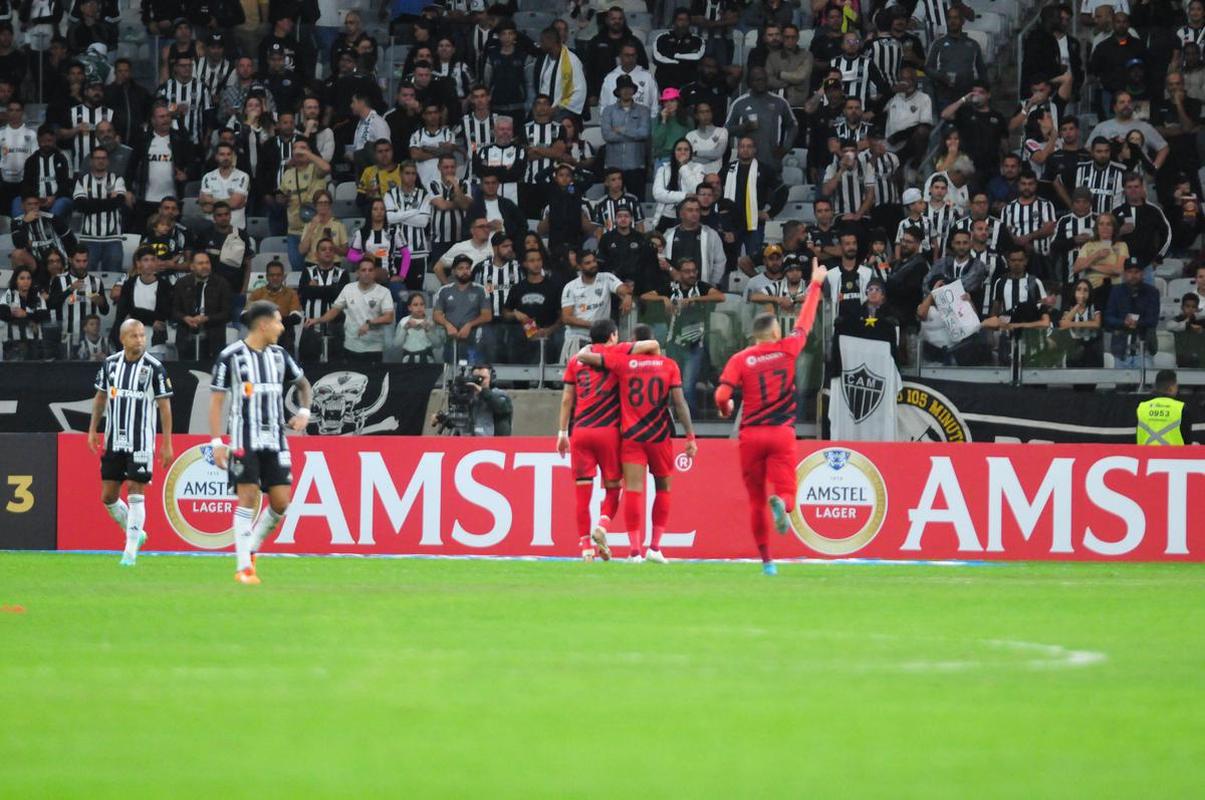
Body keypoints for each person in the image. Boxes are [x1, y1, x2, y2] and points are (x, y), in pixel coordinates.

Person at [715, 257, 825, 575]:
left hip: (750, 435)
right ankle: (784, 506)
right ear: (776, 332)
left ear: (754, 336)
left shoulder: (740, 358)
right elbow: (805, 320)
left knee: (754, 500)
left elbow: (721, 395)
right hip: (781, 433)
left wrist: (726, 409)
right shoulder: (788, 348)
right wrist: (815, 283)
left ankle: (766, 562)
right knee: (787, 491)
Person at [574, 323, 698, 563]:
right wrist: (690, 436)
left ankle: (634, 552)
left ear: (634, 344)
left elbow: (585, 357)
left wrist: (595, 351)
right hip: (660, 436)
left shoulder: (623, 362)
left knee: (633, 491)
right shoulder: (669, 365)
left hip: (631, 437)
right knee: (664, 488)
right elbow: (680, 403)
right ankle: (655, 547)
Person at [210, 300, 312, 585]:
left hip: (276, 439)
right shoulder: (230, 356)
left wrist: (304, 413)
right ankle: (244, 567)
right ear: (264, 324)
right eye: (279, 322)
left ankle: (251, 547)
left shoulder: (280, 356)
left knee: (281, 503)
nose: (282, 327)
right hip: (244, 439)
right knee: (248, 498)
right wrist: (217, 441)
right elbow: (216, 402)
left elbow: (304, 386)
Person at [556, 318, 657, 561]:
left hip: (580, 432)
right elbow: (651, 343)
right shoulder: (618, 351)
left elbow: (567, 399)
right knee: (613, 490)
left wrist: (561, 433)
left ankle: (586, 549)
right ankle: (601, 526)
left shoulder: (575, 361)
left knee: (582, 494)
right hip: (608, 432)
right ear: (612, 335)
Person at [85, 319, 173, 566]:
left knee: (136, 490)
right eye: (134, 336)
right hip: (114, 440)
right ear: (122, 339)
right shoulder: (111, 365)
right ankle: (136, 533)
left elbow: (165, 408)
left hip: (141, 442)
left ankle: (130, 551)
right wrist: (92, 430)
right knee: (108, 497)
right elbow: (100, 398)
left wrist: (166, 443)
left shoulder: (154, 368)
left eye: (142, 335)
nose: (140, 340)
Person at [304, 255, 395, 363]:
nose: (367, 273)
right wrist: (317, 320)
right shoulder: (348, 289)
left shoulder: (384, 292)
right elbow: (335, 310)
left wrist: (370, 323)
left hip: (374, 348)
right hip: (350, 346)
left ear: (374, 273)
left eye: (370, 270)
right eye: (363, 270)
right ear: (357, 272)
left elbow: (389, 317)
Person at [561, 251, 633, 358]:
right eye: (588, 263)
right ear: (580, 267)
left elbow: (623, 289)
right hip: (577, 339)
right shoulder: (570, 287)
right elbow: (566, 318)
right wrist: (593, 325)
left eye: (594, 261)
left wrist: (627, 296)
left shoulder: (607, 278)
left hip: (601, 340)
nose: (593, 265)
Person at [73, 146, 126, 273]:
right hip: (89, 238)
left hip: (113, 238)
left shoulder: (117, 178)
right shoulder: (82, 180)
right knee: (85, 276)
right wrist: (109, 201)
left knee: (114, 277)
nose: (100, 161)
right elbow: (81, 206)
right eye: (97, 158)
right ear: (91, 161)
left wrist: (91, 203)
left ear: (108, 161)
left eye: (103, 158)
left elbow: (118, 202)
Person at [173, 252, 232, 361]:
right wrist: (185, 318)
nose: (205, 266)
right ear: (192, 267)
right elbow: (174, 310)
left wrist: (206, 318)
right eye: (200, 263)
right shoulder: (181, 283)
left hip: (213, 339)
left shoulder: (222, 284)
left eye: (207, 263)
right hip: (186, 337)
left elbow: (227, 313)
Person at [433, 255, 493, 364]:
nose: (465, 271)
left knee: (473, 374)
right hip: (451, 339)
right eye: (461, 268)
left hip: (474, 341)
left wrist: (469, 325)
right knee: (451, 373)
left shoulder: (481, 290)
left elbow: (487, 316)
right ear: (453, 272)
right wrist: (448, 325)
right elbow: (436, 315)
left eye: (467, 268)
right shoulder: (444, 291)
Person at [601, 75, 651, 199]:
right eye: (623, 88)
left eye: (629, 88)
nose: (626, 91)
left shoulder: (643, 110)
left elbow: (644, 133)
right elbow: (607, 135)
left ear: (633, 90)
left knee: (637, 203)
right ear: (618, 91)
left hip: (636, 166)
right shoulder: (608, 111)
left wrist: (621, 130)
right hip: (613, 166)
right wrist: (634, 135)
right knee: (611, 203)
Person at [1105, 258, 1160, 367]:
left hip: (1144, 349)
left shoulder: (1152, 292)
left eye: (1137, 272)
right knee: (1120, 382)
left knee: (1146, 380)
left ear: (1142, 273)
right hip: (1120, 349)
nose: (1133, 275)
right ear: (1124, 274)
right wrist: (1123, 322)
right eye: (1130, 272)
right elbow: (1108, 317)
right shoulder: (1116, 291)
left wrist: (1137, 322)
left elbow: (1153, 320)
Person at [247, 259, 302, 350]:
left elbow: (295, 317)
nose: (275, 278)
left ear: (283, 277)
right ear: (267, 277)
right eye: (272, 275)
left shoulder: (291, 294)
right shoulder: (257, 293)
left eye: (278, 275)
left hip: (284, 335)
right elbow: (245, 315)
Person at [1136, 369, 1198, 444]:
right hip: (1172, 455)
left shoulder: (1142, 408)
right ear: (1171, 388)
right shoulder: (1181, 409)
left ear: (1156, 387)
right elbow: (1187, 441)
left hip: (1144, 454)